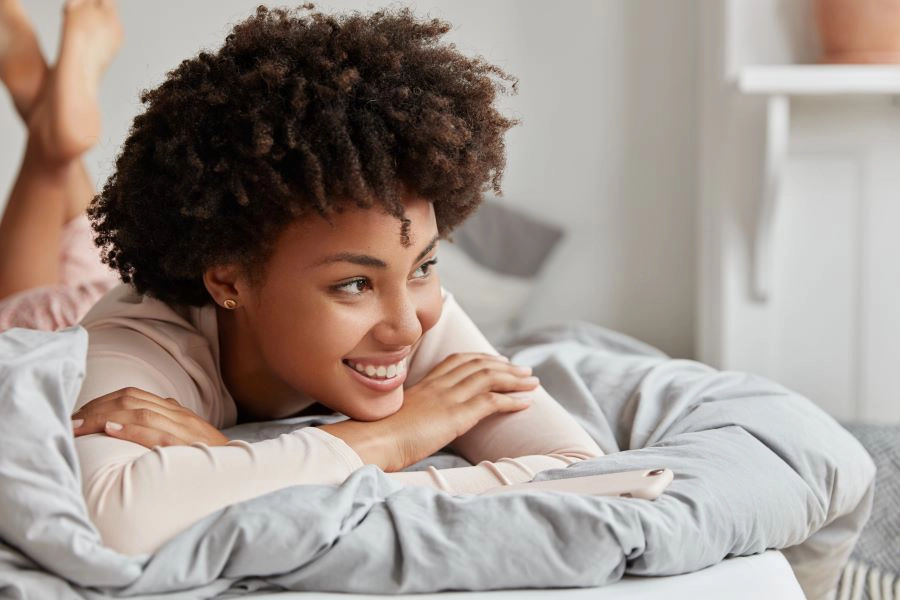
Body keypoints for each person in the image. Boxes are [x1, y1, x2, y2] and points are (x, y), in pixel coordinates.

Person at [27, 3, 604, 556]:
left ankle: (49, 124)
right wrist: (394, 437)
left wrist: (231, 461)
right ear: (229, 278)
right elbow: (117, 520)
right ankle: (48, 137)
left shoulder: (416, 311)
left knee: (76, 229)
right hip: (52, 313)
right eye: (353, 284)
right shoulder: (133, 346)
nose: (408, 329)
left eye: (425, 266)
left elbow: (584, 473)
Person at [0, 0, 120, 331]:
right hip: (92, 329)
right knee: (27, 342)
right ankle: (50, 129)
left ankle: (44, 102)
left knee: (101, 277)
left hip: (118, 301)